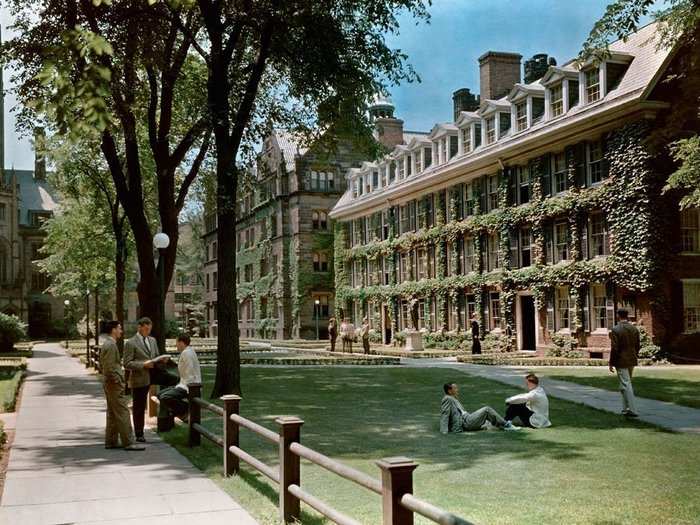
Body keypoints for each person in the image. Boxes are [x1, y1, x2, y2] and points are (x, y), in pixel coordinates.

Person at [123, 317, 173, 442]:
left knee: (174, 380)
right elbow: (127, 363)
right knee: (139, 407)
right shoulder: (130, 343)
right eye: (146, 329)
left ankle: (170, 416)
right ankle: (139, 434)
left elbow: (155, 356)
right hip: (140, 377)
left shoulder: (153, 340)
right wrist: (143, 365)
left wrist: (162, 360)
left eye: (150, 329)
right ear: (139, 327)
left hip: (154, 374)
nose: (148, 331)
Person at [100, 321, 144, 450]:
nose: (121, 331)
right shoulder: (111, 345)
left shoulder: (109, 344)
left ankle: (111, 441)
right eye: (119, 328)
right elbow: (108, 368)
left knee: (113, 413)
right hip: (113, 384)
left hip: (111, 383)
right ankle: (129, 442)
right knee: (123, 412)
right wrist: (118, 380)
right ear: (113, 330)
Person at [440, 383, 518, 433]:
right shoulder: (447, 399)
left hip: (467, 418)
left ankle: (502, 425)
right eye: (455, 388)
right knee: (486, 409)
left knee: (487, 415)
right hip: (466, 422)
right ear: (449, 391)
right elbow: (445, 414)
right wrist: (444, 431)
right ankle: (506, 425)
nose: (457, 390)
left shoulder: (453, 398)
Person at [158, 333, 202, 421]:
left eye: (176, 342)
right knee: (160, 394)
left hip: (189, 387)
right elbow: (182, 369)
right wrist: (168, 362)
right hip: (183, 384)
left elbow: (189, 373)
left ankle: (186, 410)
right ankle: (173, 415)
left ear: (181, 342)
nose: (176, 345)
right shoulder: (187, 351)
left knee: (165, 397)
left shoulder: (187, 353)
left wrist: (185, 389)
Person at [609, 309, 640, 418]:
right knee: (624, 384)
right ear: (627, 316)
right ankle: (625, 408)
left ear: (618, 316)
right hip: (632, 359)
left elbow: (614, 348)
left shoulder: (615, 329)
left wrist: (611, 362)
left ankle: (632, 409)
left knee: (626, 384)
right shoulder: (634, 329)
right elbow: (637, 346)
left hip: (621, 360)